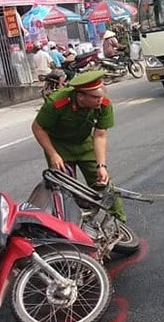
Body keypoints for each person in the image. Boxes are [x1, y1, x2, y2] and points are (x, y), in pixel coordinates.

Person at [31, 70, 125, 221]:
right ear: (81, 96)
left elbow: (100, 135)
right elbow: (38, 128)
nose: (100, 100)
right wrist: (53, 154)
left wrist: (101, 165)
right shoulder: (57, 102)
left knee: (103, 182)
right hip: (59, 147)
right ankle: (73, 226)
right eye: (95, 97)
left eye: (101, 95)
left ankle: (119, 220)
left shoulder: (104, 104)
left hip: (84, 143)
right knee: (64, 190)